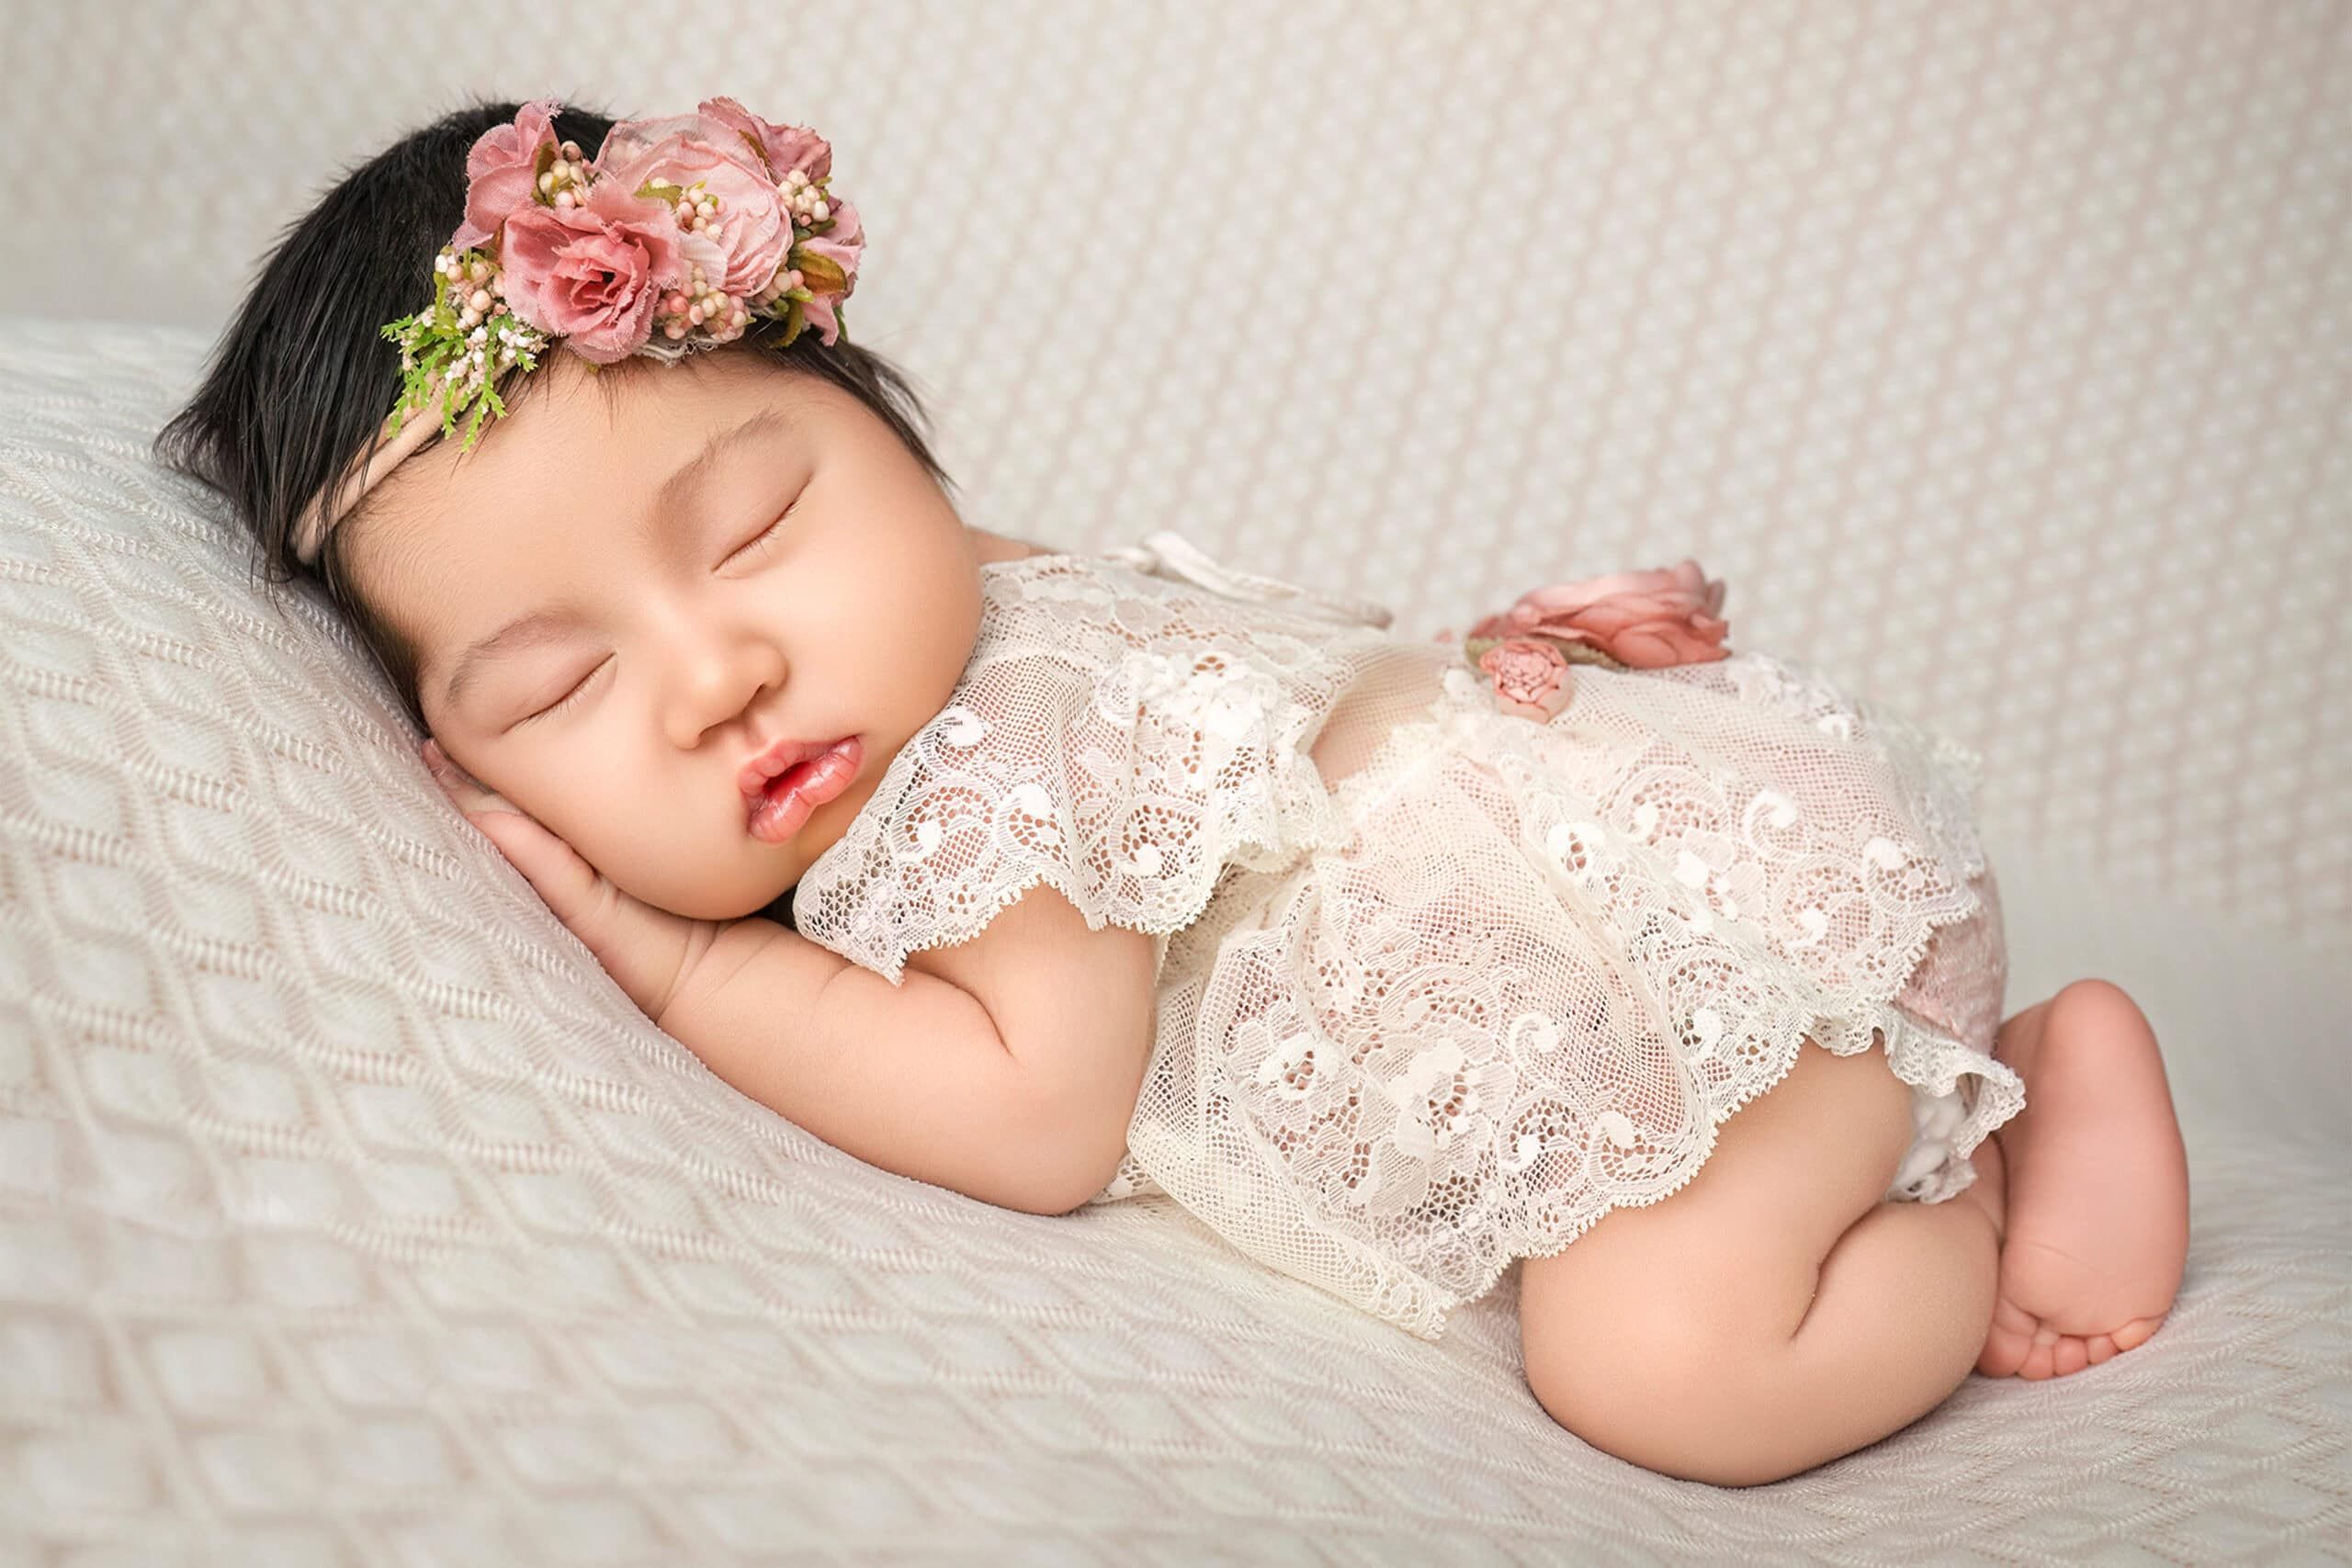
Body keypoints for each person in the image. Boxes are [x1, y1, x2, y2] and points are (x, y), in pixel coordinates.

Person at [153, 96, 2192, 1487]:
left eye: (759, 518)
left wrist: (665, 955)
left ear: (885, 440)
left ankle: (1984, 1155)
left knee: (1655, 1358)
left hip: (1724, 966)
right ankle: (1967, 1083)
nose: (717, 673)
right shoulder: (949, 623)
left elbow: (1035, 1111)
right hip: (1687, 917)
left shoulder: (995, 749)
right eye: (565, 680)